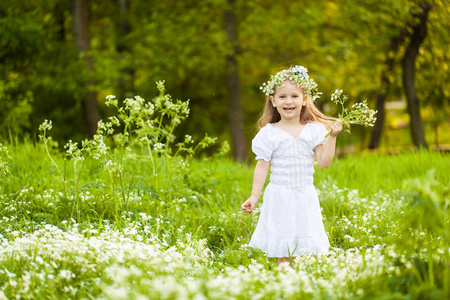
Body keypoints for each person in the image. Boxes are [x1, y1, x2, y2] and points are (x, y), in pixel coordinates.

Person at [241, 66, 343, 268]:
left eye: (294, 96)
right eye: (282, 97)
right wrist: (254, 196)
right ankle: (284, 281)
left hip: (304, 195)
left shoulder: (313, 130)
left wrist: (332, 137)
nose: (289, 101)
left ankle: (298, 283)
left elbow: (324, 162)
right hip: (279, 196)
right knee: (283, 246)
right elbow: (262, 166)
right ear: (273, 100)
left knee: (302, 243)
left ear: (304, 99)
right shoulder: (269, 134)